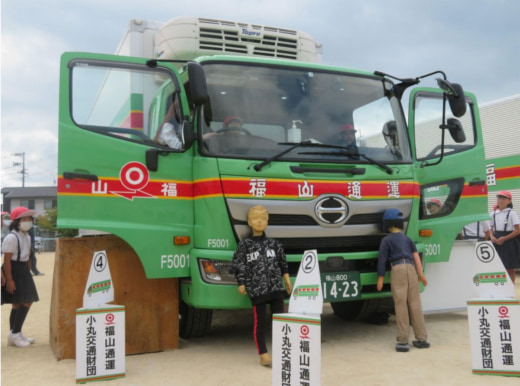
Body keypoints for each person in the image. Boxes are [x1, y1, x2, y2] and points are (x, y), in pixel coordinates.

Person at [231, 205, 292, 367]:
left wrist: (287, 279)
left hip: (276, 288)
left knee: (281, 320)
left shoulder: (274, 244)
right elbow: (240, 265)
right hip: (257, 289)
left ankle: (282, 352)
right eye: (255, 219)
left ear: (267, 221)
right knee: (261, 322)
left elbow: (282, 263)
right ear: (249, 222)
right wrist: (241, 282)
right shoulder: (245, 245)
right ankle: (263, 354)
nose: (259, 222)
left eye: (263, 218)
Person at [376, 208, 429, 353]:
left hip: (397, 268)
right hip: (411, 268)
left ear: (387, 224)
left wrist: (380, 278)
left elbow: (382, 260)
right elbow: (416, 255)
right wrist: (421, 274)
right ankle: (421, 338)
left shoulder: (386, 240)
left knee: (400, 304)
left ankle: (403, 340)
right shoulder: (407, 239)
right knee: (415, 303)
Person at [2, 206, 40, 347]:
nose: (28, 221)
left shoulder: (27, 236)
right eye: (24, 218)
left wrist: (28, 270)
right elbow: (7, 260)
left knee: (17, 303)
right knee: (28, 300)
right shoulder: (12, 237)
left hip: (23, 269)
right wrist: (9, 279)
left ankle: (14, 333)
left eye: (29, 218)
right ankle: (15, 333)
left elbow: (28, 255)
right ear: (16, 221)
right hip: (13, 268)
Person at [489, 190, 520, 283]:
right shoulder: (493, 214)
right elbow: (490, 228)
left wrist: (505, 238)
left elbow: (518, 230)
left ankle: (511, 288)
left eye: (503, 198)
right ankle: (500, 287)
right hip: (496, 240)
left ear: (509, 201)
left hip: (509, 241)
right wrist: (492, 237)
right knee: (497, 266)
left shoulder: (512, 213)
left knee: (509, 267)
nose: (500, 200)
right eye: (498, 198)